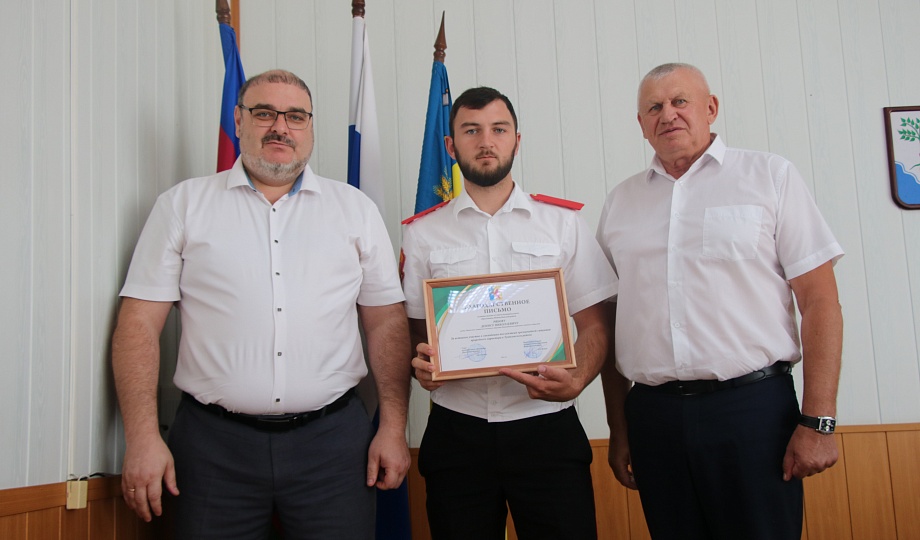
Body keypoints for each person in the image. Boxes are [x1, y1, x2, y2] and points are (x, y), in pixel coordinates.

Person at [111, 69, 411, 540]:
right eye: (265, 113)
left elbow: (386, 324)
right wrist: (143, 436)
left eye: (295, 116)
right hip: (212, 449)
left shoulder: (354, 210)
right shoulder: (183, 205)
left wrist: (393, 427)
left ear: (310, 127)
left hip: (333, 448)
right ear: (238, 120)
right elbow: (138, 325)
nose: (280, 127)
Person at [596, 63, 844, 540]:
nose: (668, 114)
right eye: (654, 107)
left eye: (680, 101)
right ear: (642, 124)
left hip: (753, 413)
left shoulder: (769, 176)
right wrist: (620, 426)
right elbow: (608, 321)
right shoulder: (620, 202)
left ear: (710, 108)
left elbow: (820, 302)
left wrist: (819, 421)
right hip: (653, 418)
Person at [402, 86, 616, 540]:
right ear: (450, 146)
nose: (486, 142)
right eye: (471, 131)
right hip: (457, 432)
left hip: (547, 429)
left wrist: (578, 378)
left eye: (499, 130)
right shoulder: (422, 234)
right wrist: (422, 365)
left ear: (516, 140)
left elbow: (596, 324)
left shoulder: (562, 224)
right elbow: (417, 335)